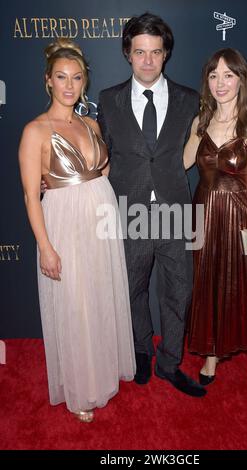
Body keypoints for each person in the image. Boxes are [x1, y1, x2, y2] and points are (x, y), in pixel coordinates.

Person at [19, 39, 136, 423]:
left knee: (100, 298)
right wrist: (46, 249)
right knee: (76, 304)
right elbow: (31, 196)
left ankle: (102, 373)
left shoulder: (90, 122)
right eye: (61, 77)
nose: (69, 85)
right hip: (64, 223)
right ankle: (81, 387)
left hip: (100, 219)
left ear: (84, 82)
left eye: (77, 78)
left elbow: (101, 170)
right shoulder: (35, 130)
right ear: (48, 81)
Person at [97, 13, 206, 397]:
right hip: (130, 212)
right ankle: (142, 352)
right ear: (128, 53)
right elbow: (102, 156)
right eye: (140, 52)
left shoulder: (189, 99)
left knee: (179, 291)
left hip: (176, 212)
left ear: (165, 54)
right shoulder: (108, 99)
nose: (147, 61)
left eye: (155, 52)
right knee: (130, 289)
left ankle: (170, 363)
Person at [184, 48, 247, 415]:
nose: (220, 83)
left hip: (243, 218)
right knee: (207, 287)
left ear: (242, 79)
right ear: (206, 82)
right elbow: (178, 163)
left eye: (228, 75)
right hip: (203, 217)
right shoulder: (200, 122)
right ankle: (210, 359)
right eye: (213, 75)